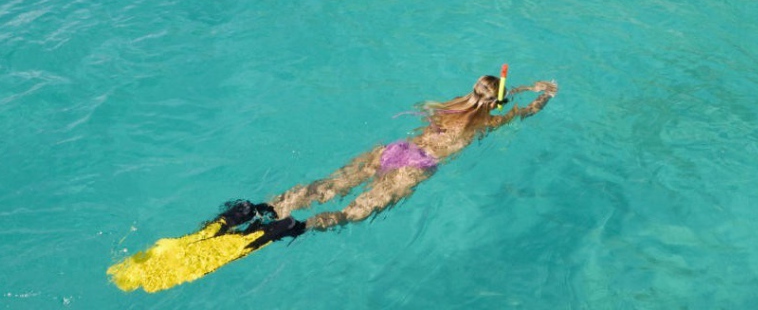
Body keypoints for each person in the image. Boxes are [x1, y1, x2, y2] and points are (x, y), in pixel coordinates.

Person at [224, 74, 558, 244]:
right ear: (495, 103)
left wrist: (518, 87)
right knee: (354, 211)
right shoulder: (486, 124)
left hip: (396, 149)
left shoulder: (451, 106)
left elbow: (486, 96)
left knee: (328, 186)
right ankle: (298, 226)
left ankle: (263, 209)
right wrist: (543, 93)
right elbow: (524, 112)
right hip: (417, 166)